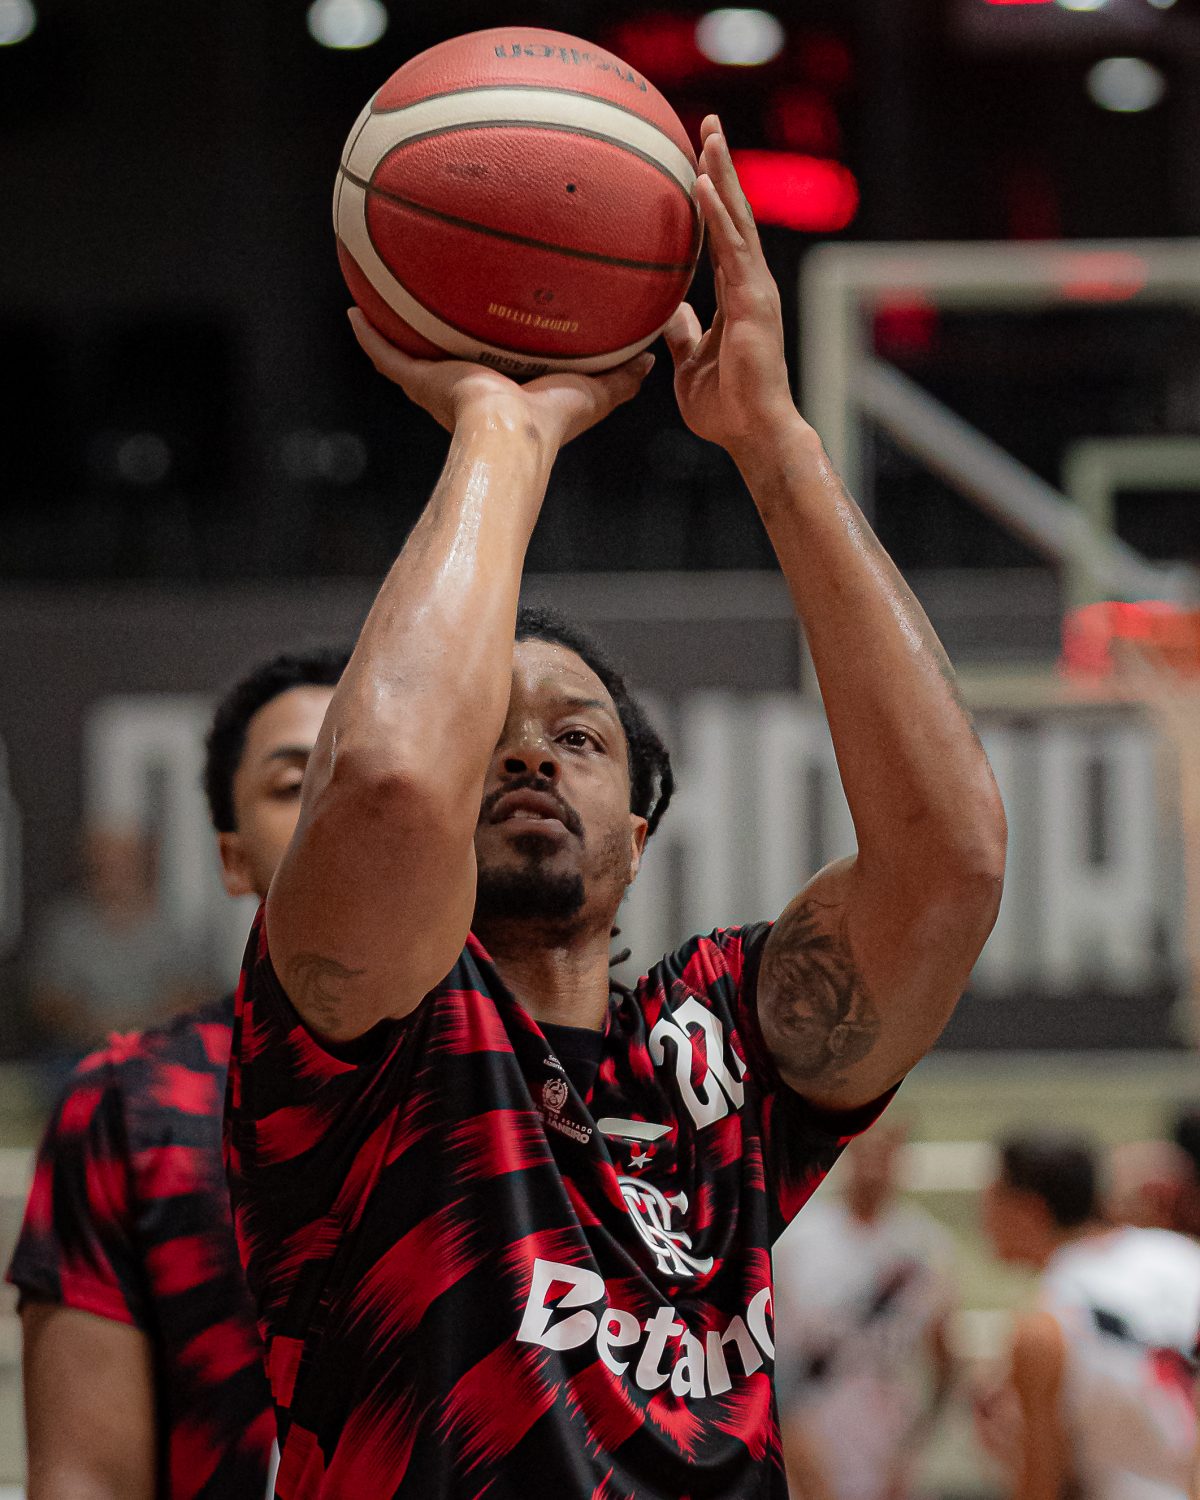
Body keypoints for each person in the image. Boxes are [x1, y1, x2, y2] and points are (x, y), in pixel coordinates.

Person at [224, 119, 1005, 1500]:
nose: (527, 758)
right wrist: (505, 426)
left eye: (576, 738)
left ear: (639, 836)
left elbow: (950, 861)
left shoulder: (722, 1043)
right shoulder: (363, 1045)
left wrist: (774, 443)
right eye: (493, 739)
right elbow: (391, 780)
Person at [7, 646, 348, 1500]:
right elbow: (85, 1480)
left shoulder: (542, 1093)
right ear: (233, 858)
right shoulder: (127, 1108)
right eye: (291, 783)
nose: (337, 805)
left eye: (369, 775)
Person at [979, 1131, 1200, 1500]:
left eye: (992, 1201)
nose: (984, 1221)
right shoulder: (1183, 1256)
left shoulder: (1043, 1327)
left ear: (1028, 1209)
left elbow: (1042, 1486)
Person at [773, 1120, 958, 1500]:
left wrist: (916, 1447)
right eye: (866, 1148)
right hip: (808, 1434)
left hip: (888, 1441)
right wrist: (787, 1435)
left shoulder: (927, 1248)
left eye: (885, 1150)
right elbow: (765, 1353)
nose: (874, 1162)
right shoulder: (796, 1240)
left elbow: (945, 1361)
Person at [28, 823, 206, 1074]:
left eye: (124, 861)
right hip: (80, 1055)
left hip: (157, 1055)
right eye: (104, 861)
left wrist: (143, 1024)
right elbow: (47, 1001)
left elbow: (194, 994)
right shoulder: (64, 928)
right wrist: (88, 1023)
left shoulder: (174, 928)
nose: (113, 870)